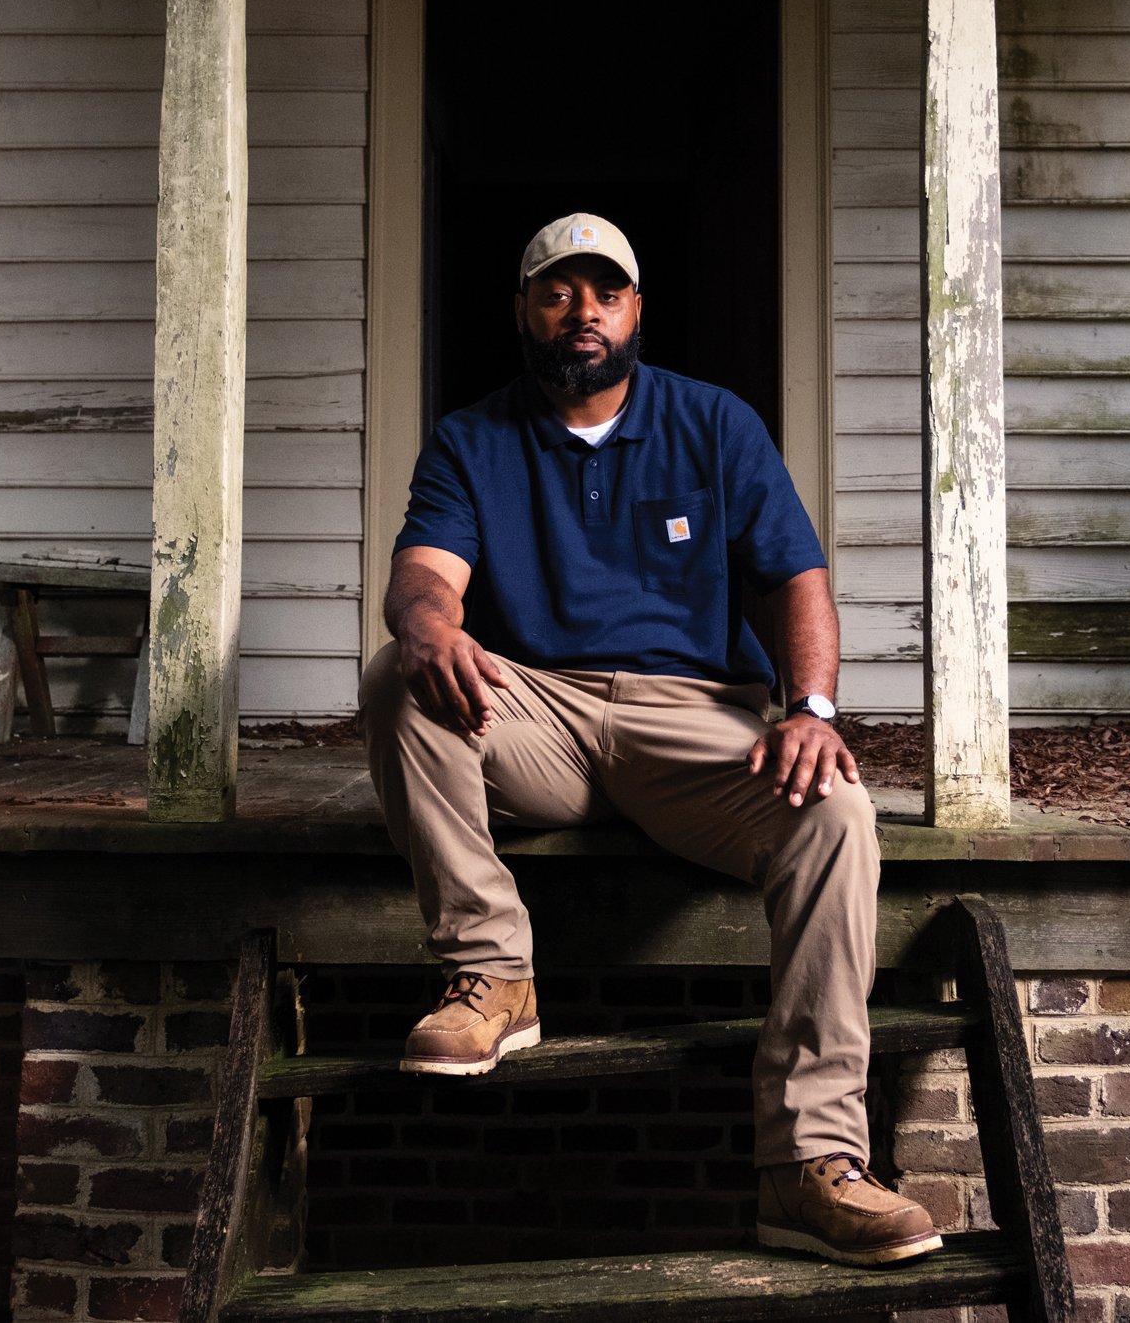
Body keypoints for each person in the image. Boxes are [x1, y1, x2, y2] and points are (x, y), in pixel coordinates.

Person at [358, 213, 942, 1268]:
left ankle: (809, 1167)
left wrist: (810, 707)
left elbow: (791, 578)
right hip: (537, 711)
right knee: (404, 672)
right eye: (556, 290)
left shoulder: (712, 423)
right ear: (522, 309)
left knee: (838, 816)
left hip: (695, 724)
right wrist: (429, 622)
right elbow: (426, 578)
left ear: (634, 309)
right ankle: (493, 973)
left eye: (605, 291)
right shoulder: (470, 437)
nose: (581, 310)